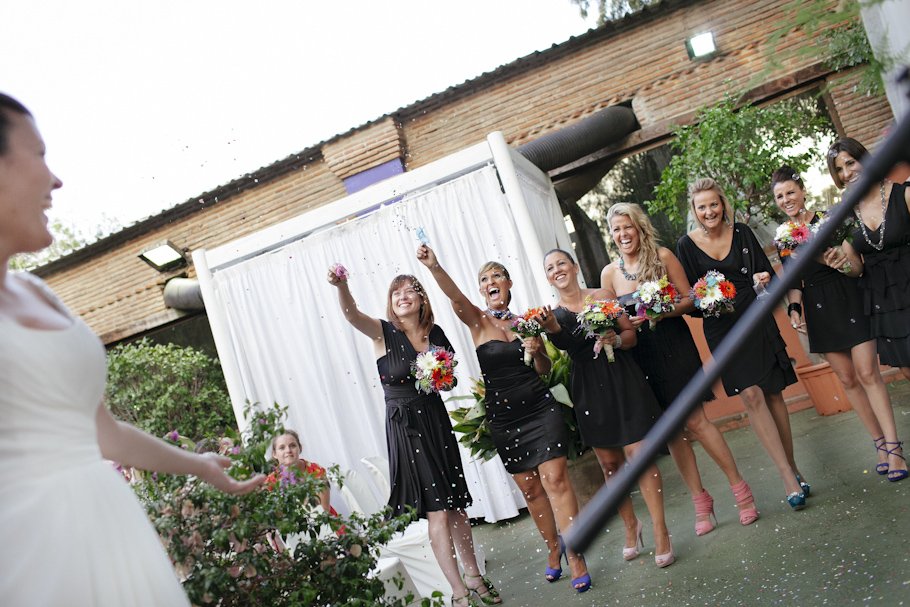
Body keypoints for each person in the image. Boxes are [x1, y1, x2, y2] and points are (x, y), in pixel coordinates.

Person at [0, 92, 264, 607]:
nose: (56, 180)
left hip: (109, 533)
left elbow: (104, 433)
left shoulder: (37, 292)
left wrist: (200, 465)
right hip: (28, 554)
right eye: (40, 155)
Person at [416, 245, 591, 593]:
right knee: (531, 489)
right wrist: (435, 266)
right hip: (505, 420)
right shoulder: (478, 321)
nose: (491, 282)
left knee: (556, 480)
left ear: (508, 284)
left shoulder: (527, 322)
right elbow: (455, 297)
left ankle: (575, 553)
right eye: (485, 279)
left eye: (497, 276)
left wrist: (537, 352)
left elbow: (542, 370)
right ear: (482, 290)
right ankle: (553, 547)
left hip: (540, 408)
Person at [328, 270, 498, 607]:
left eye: (410, 291)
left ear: (421, 299)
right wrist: (342, 286)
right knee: (438, 510)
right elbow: (351, 315)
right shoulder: (382, 332)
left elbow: (449, 382)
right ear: (391, 302)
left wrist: (439, 374)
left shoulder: (436, 334)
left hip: (436, 421)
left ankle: (474, 575)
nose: (403, 297)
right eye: (397, 293)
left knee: (456, 506)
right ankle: (458, 591)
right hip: (406, 428)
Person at [601, 202, 759, 532]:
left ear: (639, 227)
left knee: (697, 421)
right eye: (616, 229)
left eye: (628, 226)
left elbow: (690, 299)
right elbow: (612, 320)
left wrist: (661, 311)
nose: (623, 234)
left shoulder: (662, 257)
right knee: (672, 432)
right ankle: (701, 503)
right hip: (639, 356)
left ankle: (740, 489)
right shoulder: (609, 274)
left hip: (673, 345)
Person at [675, 177, 810, 510]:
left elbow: (769, 278)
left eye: (714, 204)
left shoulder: (743, 233)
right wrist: (707, 299)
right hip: (722, 329)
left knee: (773, 392)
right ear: (694, 211)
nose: (709, 211)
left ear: (723, 204)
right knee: (751, 395)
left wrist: (764, 278)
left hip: (756, 318)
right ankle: (787, 476)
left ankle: (793, 466)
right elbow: (690, 299)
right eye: (702, 207)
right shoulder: (686, 246)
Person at [538, 248, 676, 568]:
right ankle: (631, 526)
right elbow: (565, 344)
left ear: (575, 266)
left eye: (562, 263)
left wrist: (616, 341)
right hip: (588, 389)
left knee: (640, 457)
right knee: (610, 465)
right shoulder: (553, 316)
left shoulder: (601, 296)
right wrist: (552, 328)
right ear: (548, 278)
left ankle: (660, 530)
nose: (557, 270)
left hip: (623, 379)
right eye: (550, 268)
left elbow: (630, 335)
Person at [826, 138, 910, 481]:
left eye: (851, 162)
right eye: (839, 169)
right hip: (885, 299)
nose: (847, 173)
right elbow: (856, 267)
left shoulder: (904, 193)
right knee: (907, 370)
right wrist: (840, 264)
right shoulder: (847, 216)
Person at [270, 430, 336, 514]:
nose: (288, 450)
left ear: (300, 448)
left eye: (292, 445)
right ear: (274, 454)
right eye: (282, 448)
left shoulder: (315, 470)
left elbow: (324, 510)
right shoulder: (271, 482)